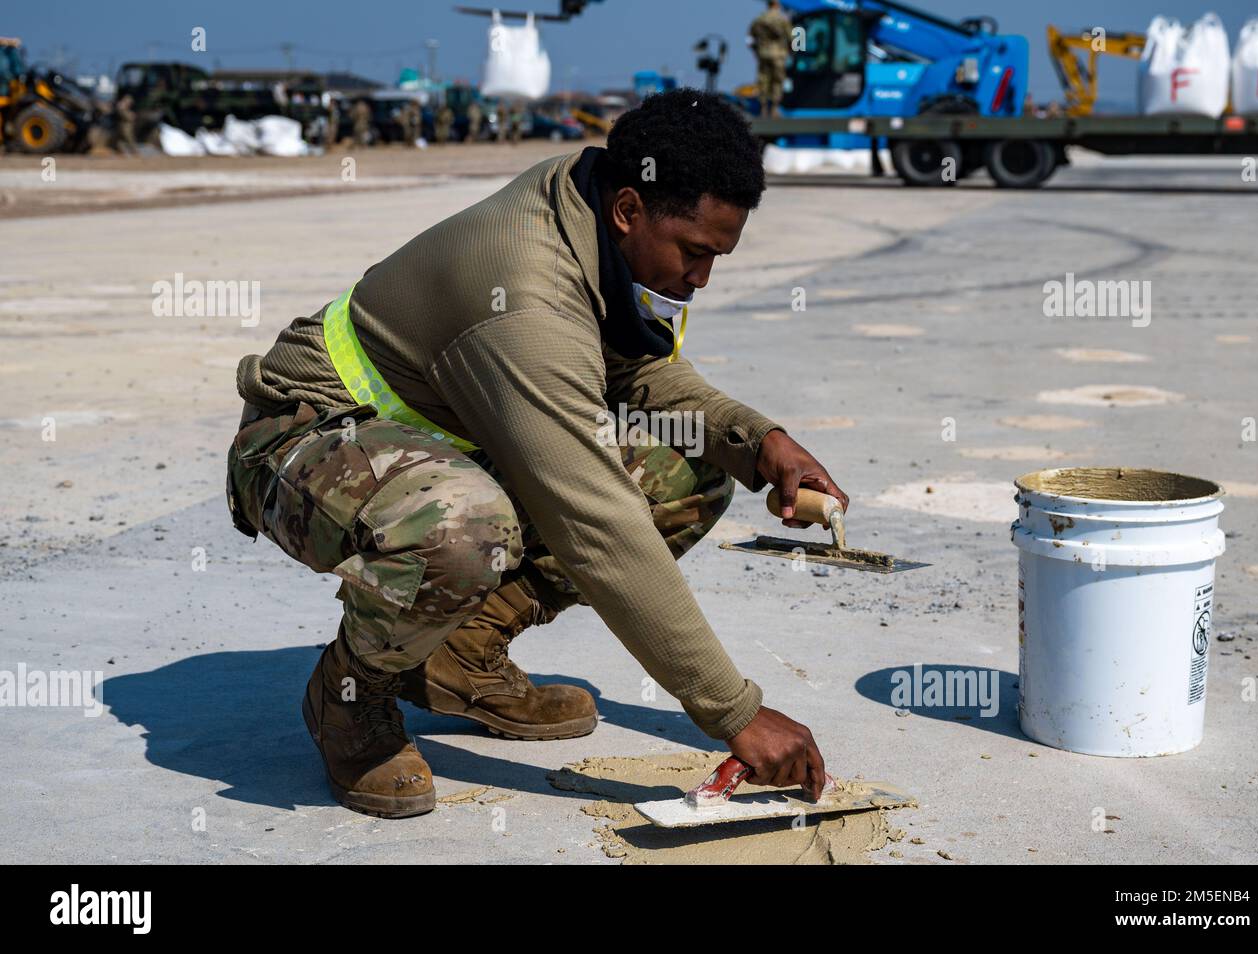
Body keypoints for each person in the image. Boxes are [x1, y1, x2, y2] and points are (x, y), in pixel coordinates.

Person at [226, 90, 842, 818]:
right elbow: (595, 522)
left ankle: (461, 652)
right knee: (461, 525)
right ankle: (349, 697)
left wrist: (756, 440)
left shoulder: (587, 210)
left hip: (429, 443)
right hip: (303, 441)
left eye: (717, 256)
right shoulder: (525, 294)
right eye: (696, 252)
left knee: (697, 460)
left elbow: (629, 372)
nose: (701, 279)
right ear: (628, 210)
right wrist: (733, 711)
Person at [749, 0, 793, 118]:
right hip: (778, 55)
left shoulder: (759, 19)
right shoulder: (782, 19)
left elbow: (751, 38)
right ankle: (774, 109)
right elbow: (791, 38)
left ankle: (763, 109)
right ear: (777, 5)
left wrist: (756, 51)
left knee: (763, 80)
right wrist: (790, 52)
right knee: (777, 81)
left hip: (763, 54)